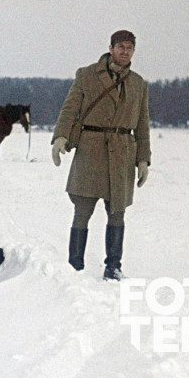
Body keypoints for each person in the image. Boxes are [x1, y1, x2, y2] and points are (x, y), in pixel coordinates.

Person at [51, 30, 151, 280]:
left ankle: (113, 267)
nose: (125, 51)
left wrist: (143, 159)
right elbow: (70, 109)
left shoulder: (138, 83)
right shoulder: (87, 75)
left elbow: (142, 124)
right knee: (82, 210)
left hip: (122, 153)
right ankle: (74, 267)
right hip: (91, 149)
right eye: (121, 46)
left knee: (117, 212)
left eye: (129, 47)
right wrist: (60, 137)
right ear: (111, 48)